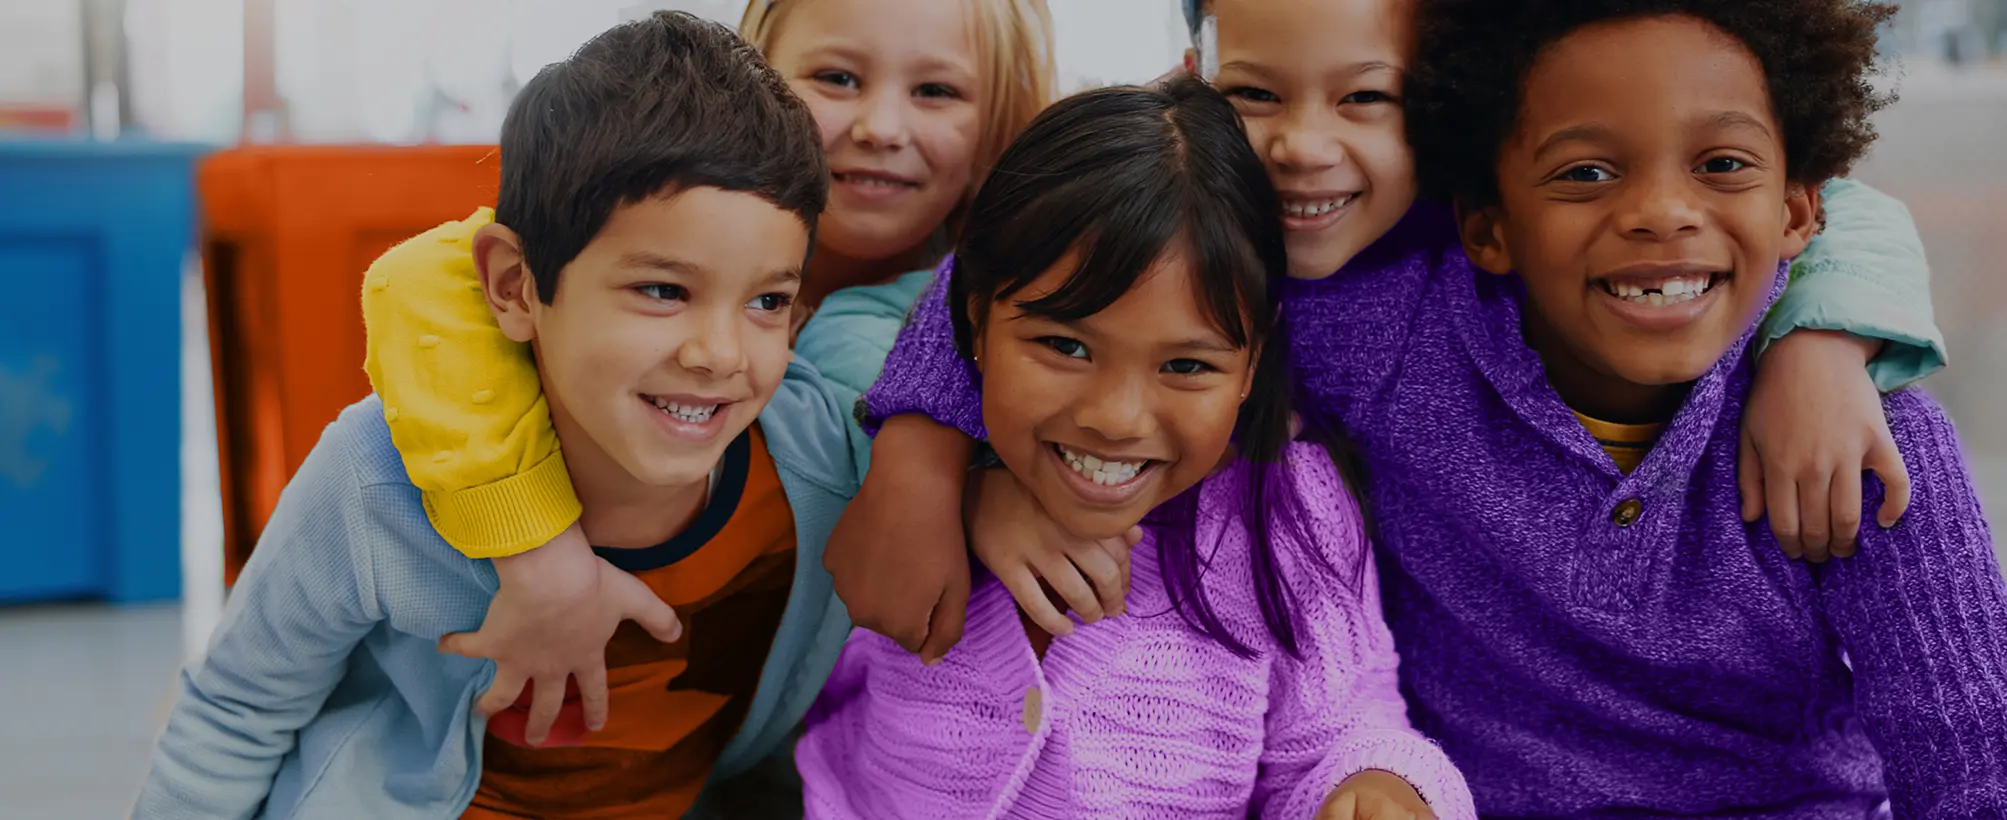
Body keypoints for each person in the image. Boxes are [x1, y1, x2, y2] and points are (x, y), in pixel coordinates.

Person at [858, 0, 2007, 811]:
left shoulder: (1862, 439)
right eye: (1587, 173)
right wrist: (932, 458)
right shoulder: (1395, 325)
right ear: (1485, 220)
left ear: (1802, 211)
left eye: (1719, 170)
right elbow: (1079, 250)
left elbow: (1972, 764)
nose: (1660, 213)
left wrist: (1819, 349)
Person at [135, 13, 861, 818]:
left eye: (767, 301)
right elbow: (235, 711)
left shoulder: (819, 470)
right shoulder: (376, 479)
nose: (721, 353)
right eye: (662, 290)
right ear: (514, 287)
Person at [356, 0, 1059, 746]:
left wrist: (966, 485)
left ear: (1000, 117)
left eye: (936, 92)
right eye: (836, 77)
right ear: (761, 79)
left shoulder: (1002, 305)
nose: (881, 127)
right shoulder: (631, 225)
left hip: (824, 742)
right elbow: (423, 279)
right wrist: (537, 550)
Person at [797, 76, 1475, 820]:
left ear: (1251, 363)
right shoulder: (919, 489)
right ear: (975, 321)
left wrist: (1376, 787)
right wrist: (942, 486)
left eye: (1186, 365)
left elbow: (1344, 724)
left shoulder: (1289, 517)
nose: (1116, 419)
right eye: (1063, 345)